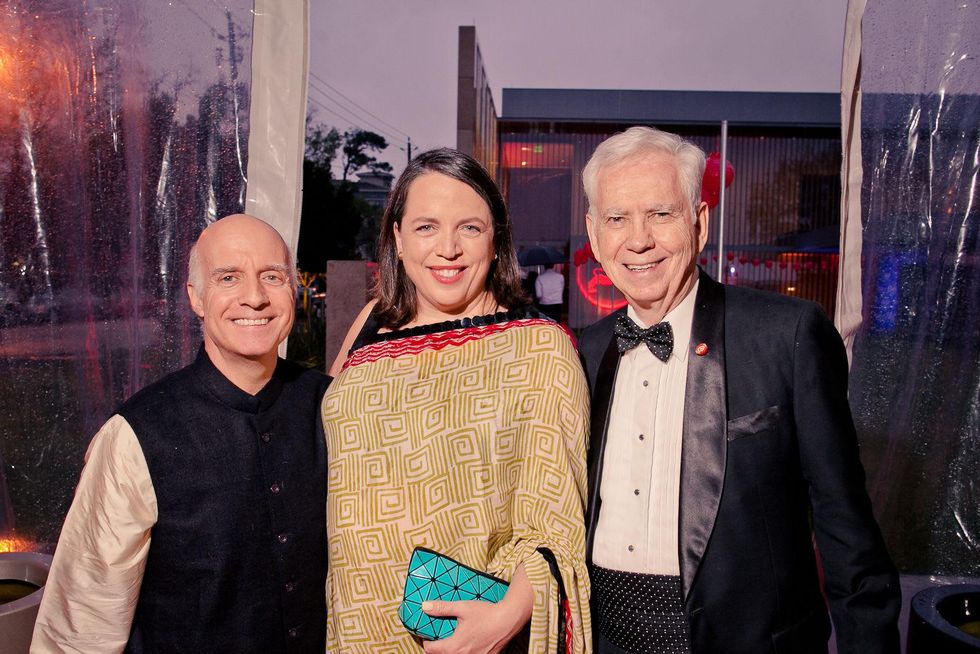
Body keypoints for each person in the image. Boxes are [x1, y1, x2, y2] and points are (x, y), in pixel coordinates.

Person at [577, 127, 900, 654]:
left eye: (661, 214)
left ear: (700, 223)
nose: (638, 239)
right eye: (617, 218)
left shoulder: (787, 335)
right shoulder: (584, 353)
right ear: (595, 234)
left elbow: (848, 533)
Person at [325, 148, 591, 652]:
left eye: (469, 227)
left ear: (496, 242)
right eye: (426, 227)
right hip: (355, 624)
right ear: (398, 239)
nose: (447, 248)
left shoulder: (537, 345)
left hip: (463, 633)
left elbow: (557, 526)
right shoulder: (370, 325)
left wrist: (502, 622)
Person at [32, 214, 329, 653]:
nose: (254, 297)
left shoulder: (332, 408)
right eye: (229, 277)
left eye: (272, 276)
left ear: (292, 290)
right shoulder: (136, 434)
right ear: (196, 297)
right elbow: (85, 620)